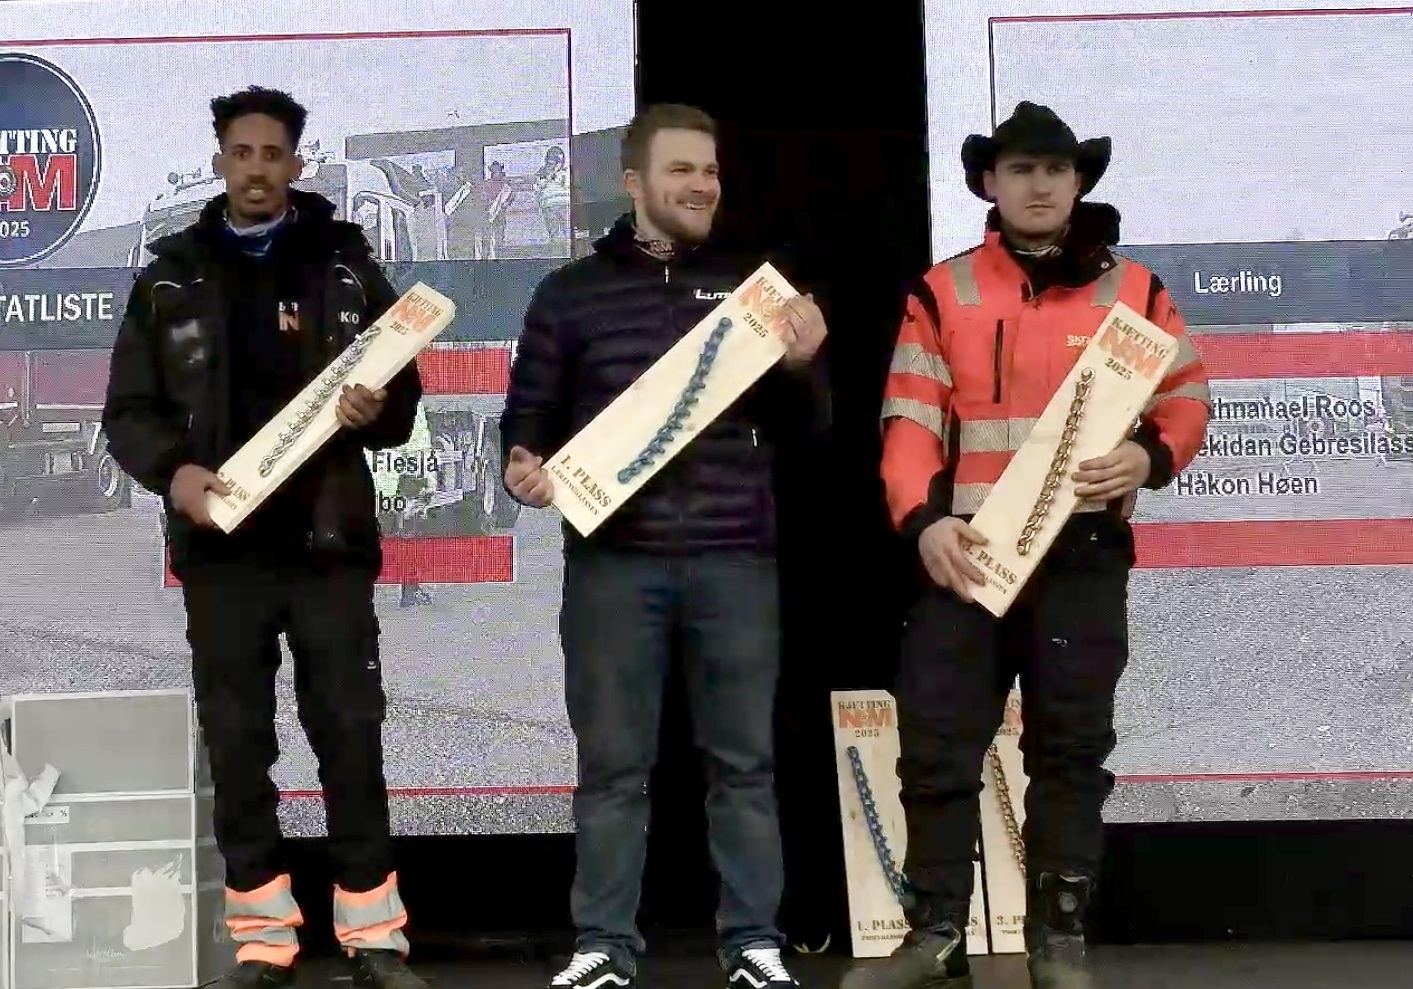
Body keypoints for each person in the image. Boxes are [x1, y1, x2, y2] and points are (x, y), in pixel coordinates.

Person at [845, 102, 1211, 989]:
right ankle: (934, 935)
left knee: (1070, 748)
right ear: (988, 183)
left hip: (1081, 553)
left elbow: (1186, 397)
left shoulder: (1135, 291)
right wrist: (924, 522)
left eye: (1054, 169)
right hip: (967, 555)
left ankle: (1057, 941)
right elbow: (907, 420)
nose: (1038, 185)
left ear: (1078, 181)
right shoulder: (942, 291)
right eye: (1019, 169)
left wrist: (1147, 455)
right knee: (935, 745)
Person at [101, 86, 426, 989]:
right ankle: (263, 938)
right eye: (241, 153)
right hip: (222, 554)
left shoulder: (346, 266)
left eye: (272, 154)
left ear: (295, 164)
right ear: (220, 162)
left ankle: (374, 936)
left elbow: (402, 402)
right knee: (239, 743)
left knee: (349, 735)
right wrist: (177, 475)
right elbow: (127, 412)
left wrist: (373, 407)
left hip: (327, 546)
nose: (256, 169)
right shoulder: (169, 276)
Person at [499, 102, 830, 989]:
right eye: (681, 169)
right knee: (612, 765)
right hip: (613, 562)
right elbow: (527, 419)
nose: (701, 185)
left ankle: (753, 941)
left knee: (744, 764)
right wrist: (521, 464)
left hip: (734, 558)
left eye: (710, 170)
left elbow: (810, 432)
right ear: (633, 182)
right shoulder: (568, 292)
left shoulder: (757, 290)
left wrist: (801, 367)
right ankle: (603, 944)